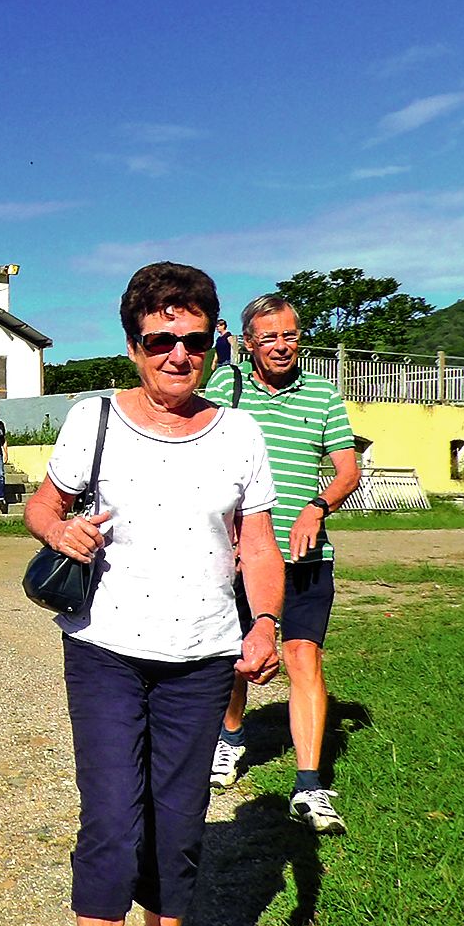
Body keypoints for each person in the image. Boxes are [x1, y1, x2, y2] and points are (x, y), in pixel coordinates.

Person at [24, 262, 284, 926]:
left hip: (202, 658)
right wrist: (58, 532)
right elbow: (42, 503)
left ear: (215, 343)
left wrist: (266, 621)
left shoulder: (239, 434)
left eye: (193, 340)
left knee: (177, 825)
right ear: (134, 343)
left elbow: (255, 543)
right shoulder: (90, 417)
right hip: (103, 646)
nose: (177, 355)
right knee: (111, 821)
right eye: (159, 340)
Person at [200, 294, 362, 833]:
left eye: (289, 335)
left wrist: (318, 506)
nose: (280, 346)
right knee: (237, 658)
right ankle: (229, 737)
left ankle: (310, 786)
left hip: (308, 557)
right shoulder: (228, 386)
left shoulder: (322, 394)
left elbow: (346, 470)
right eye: (268, 337)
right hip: (240, 555)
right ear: (248, 343)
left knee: (303, 658)